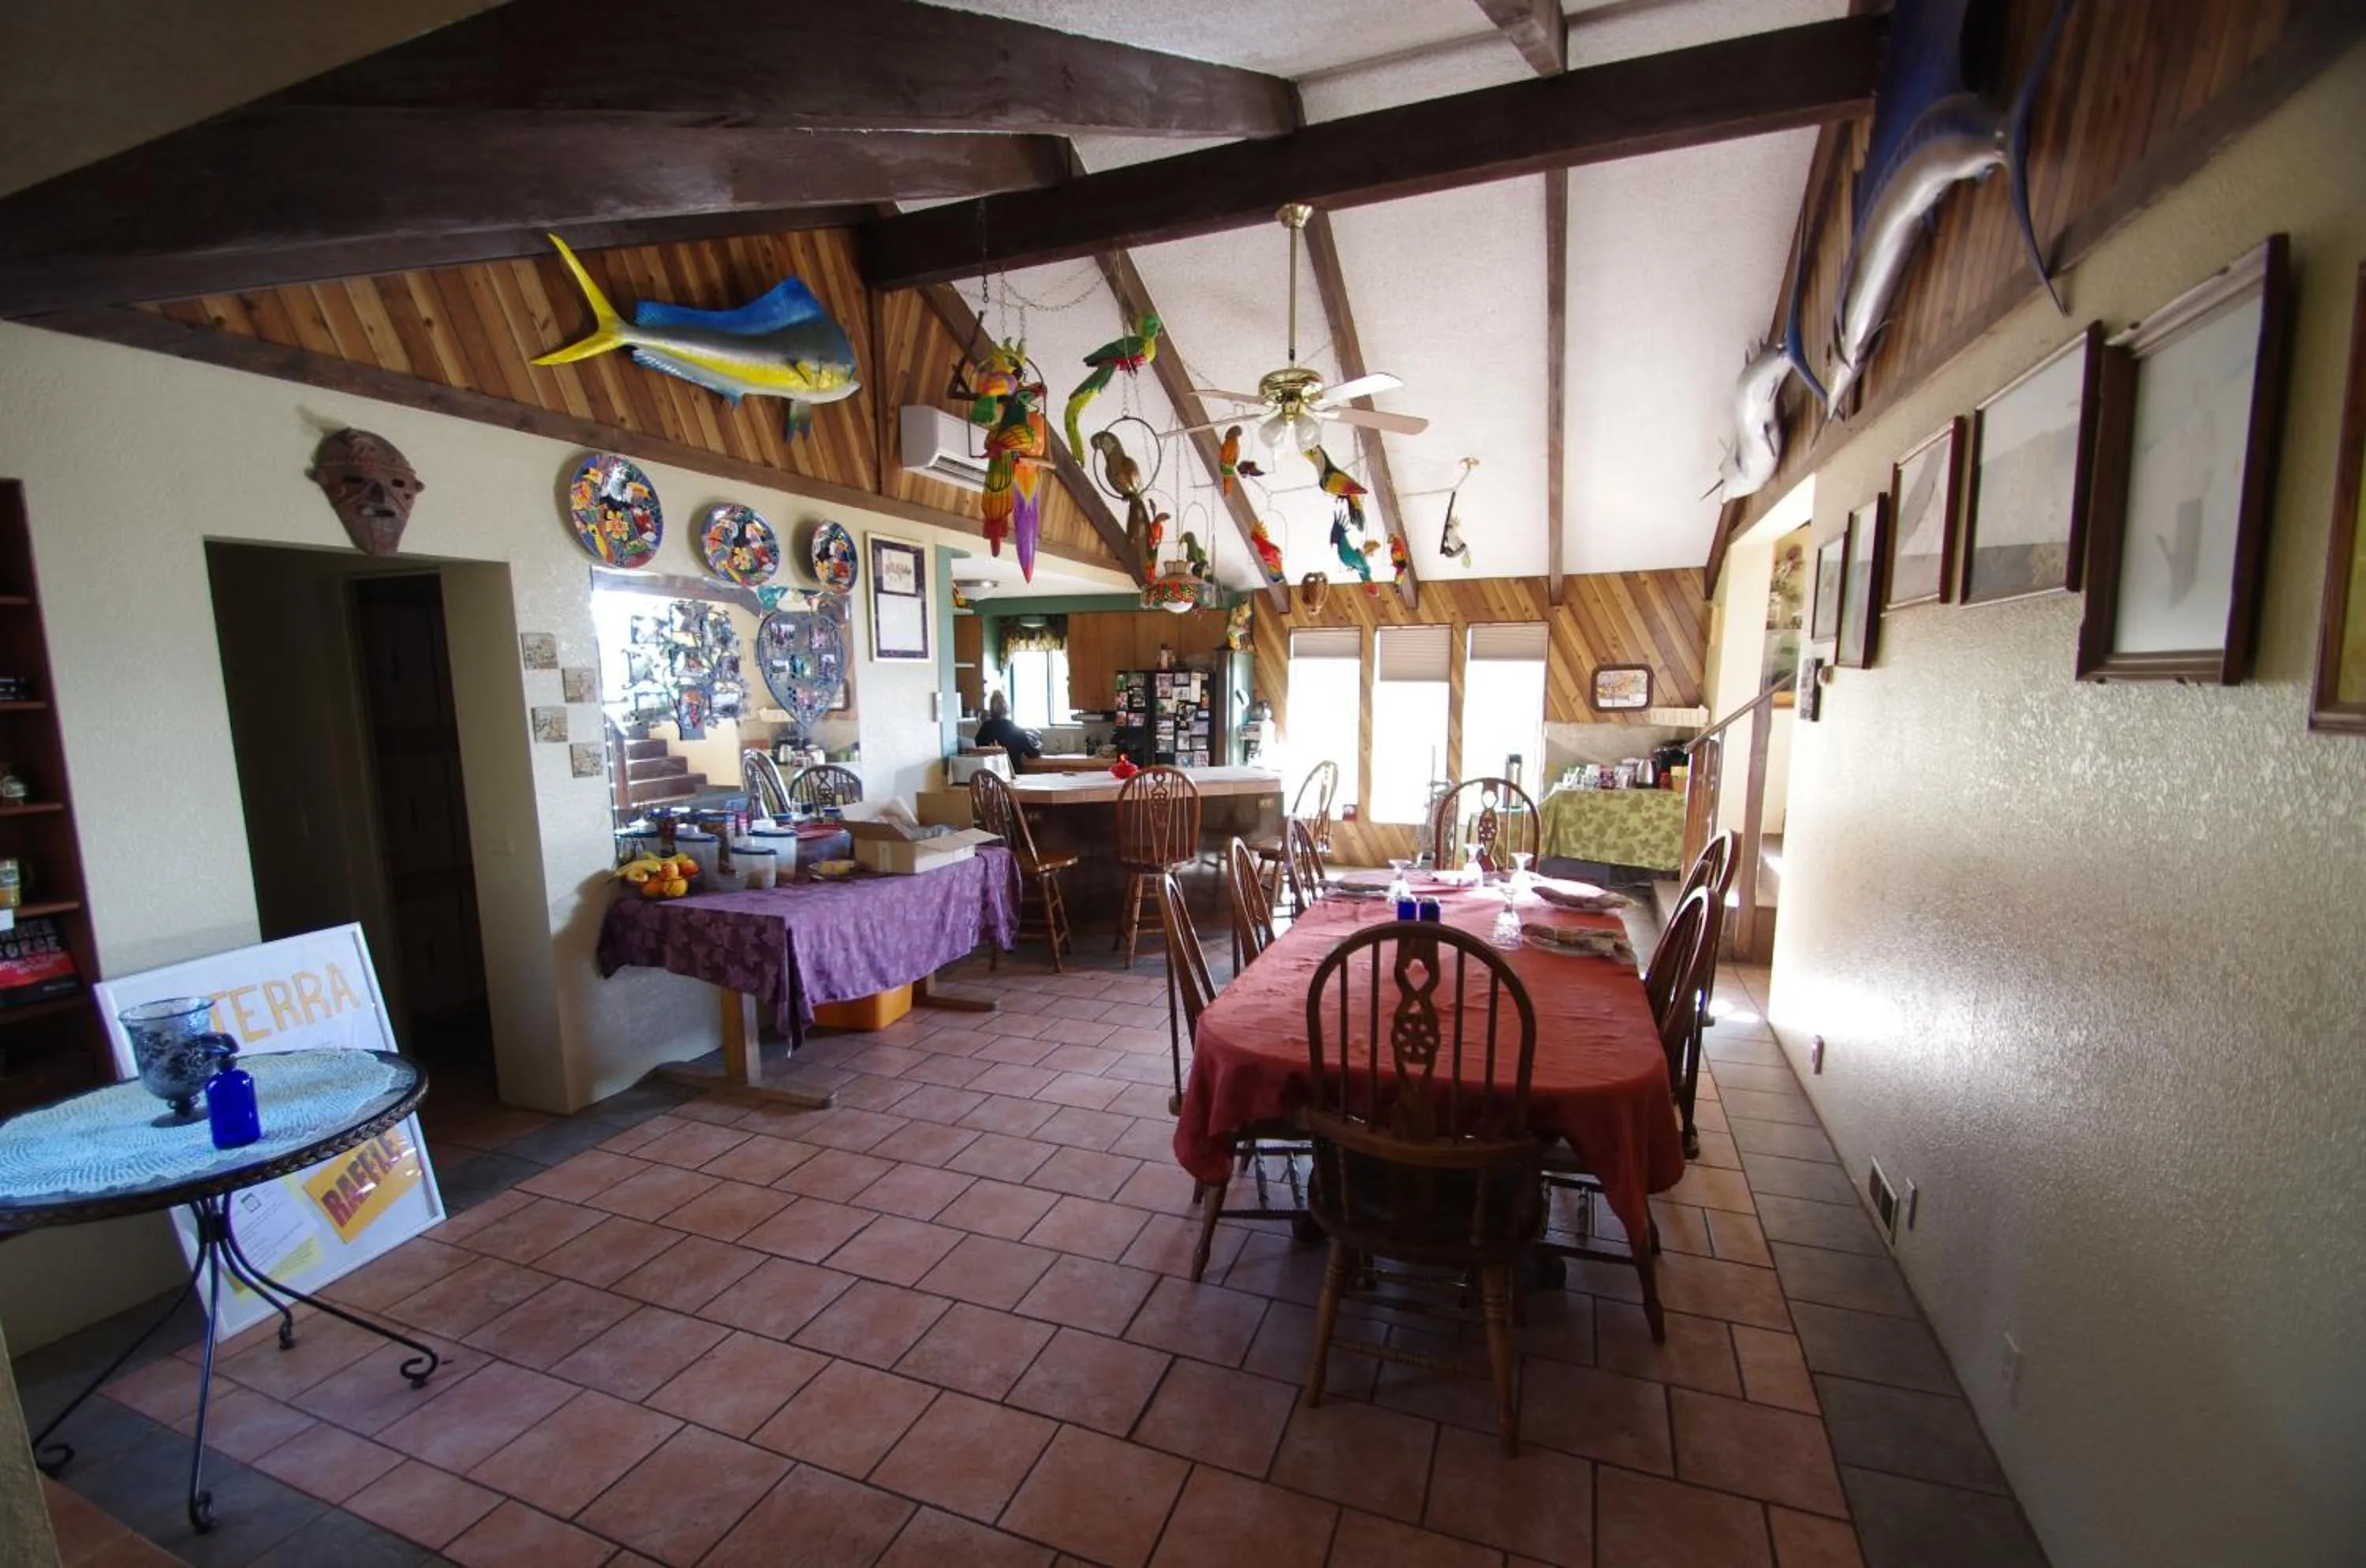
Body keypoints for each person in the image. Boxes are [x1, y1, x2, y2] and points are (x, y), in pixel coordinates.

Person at [973, 691, 1042, 767]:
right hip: (1014, 774)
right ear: (1007, 709)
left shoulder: (984, 729)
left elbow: (976, 749)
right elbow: (1032, 754)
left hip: (990, 775)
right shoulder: (1017, 731)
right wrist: (1039, 746)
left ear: (991, 710)